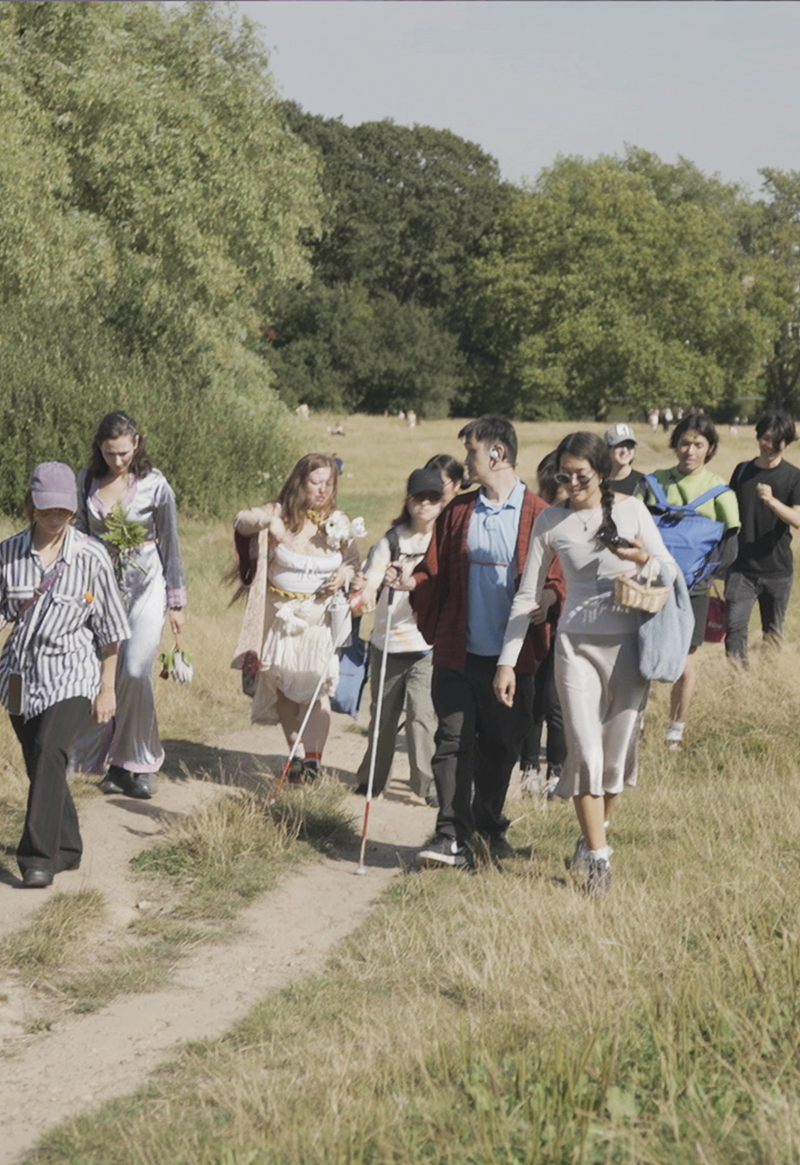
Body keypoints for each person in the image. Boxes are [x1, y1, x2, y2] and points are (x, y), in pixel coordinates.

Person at [494, 432, 676, 897]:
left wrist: (640, 559)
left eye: (582, 475)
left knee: (615, 761)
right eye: (564, 475)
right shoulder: (550, 522)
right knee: (586, 755)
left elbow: (668, 569)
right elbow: (527, 595)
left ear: (601, 473)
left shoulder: (632, 510)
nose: (572, 483)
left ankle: (590, 833)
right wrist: (507, 662)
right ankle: (599, 860)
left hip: (629, 649)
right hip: (574, 649)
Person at [388, 416, 564, 868]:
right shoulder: (458, 513)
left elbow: (559, 579)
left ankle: (487, 825)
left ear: (497, 453)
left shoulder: (540, 514)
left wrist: (547, 597)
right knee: (452, 739)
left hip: (513, 659)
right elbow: (434, 572)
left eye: (471, 451)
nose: (466, 459)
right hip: (457, 652)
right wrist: (411, 583)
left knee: (501, 746)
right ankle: (449, 834)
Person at [0, 463, 130, 888]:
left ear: (74, 510)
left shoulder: (90, 556)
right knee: (42, 760)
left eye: (64, 511)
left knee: (49, 746)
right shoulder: (8, 553)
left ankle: (37, 857)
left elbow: (111, 630)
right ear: (31, 506)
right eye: (46, 510)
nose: (55, 519)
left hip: (72, 671)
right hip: (20, 674)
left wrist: (107, 687)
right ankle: (69, 847)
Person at [74, 411, 187, 799]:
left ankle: (143, 759)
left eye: (123, 452)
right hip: (101, 586)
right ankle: (119, 763)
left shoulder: (156, 485)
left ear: (136, 444)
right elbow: (78, 537)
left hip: (146, 582)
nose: (117, 461)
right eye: (109, 453)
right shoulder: (86, 480)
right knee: (106, 673)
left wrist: (177, 601)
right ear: (99, 448)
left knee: (137, 669)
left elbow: (171, 542)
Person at [231, 454, 360, 782]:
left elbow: (354, 559)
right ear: (299, 482)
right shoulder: (277, 512)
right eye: (315, 482)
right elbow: (241, 520)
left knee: (317, 688)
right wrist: (266, 522)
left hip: (319, 619)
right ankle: (297, 754)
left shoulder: (338, 520)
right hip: (280, 617)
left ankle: (314, 762)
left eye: (328, 484)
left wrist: (345, 573)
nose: (322, 490)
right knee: (284, 688)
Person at [647, 413, 739, 750]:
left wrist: (704, 576)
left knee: (686, 664)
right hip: (653, 586)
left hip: (695, 590)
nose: (690, 450)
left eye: (698, 444)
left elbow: (730, 546)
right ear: (675, 444)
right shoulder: (654, 481)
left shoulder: (720, 491)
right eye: (685, 442)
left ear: (709, 448)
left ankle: (675, 733)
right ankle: (637, 723)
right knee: (646, 656)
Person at [352, 468, 444, 804]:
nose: (425, 504)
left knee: (423, 716)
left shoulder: (444, 541)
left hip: (426, 645)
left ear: (441, 503)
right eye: (419, 497)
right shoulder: (390, 542)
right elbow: (370, 588)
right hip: (388, 643)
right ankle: (372, 780)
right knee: (384, 716)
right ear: (408, 500)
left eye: (433, 498)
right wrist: (363, 595)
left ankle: (428, 785)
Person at [725, 411, 800, 664]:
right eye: (765, 438)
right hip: (740, 568)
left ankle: (770, 678)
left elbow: (798, 520)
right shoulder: (742, 471)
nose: (769, 445)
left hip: (777, 570)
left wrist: (771, 501)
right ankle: (739, 682)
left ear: (787, 443)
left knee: (773, 633)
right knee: (734, 630)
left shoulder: (794, 476)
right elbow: (727, 515)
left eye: (776, 441)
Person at [519, 452, 567, 797]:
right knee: (531, 702)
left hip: (566, 629)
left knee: (556, 703)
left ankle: (558, 769)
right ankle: (528, 768)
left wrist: (552, 596)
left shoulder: (581, 525)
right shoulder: (538, 520)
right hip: (533, 627)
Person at [604, 423, 644, 497]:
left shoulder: (643, 482)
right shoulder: (597, 482)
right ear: (607, 449)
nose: (625, 451)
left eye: (629, 445)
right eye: (619, 445)